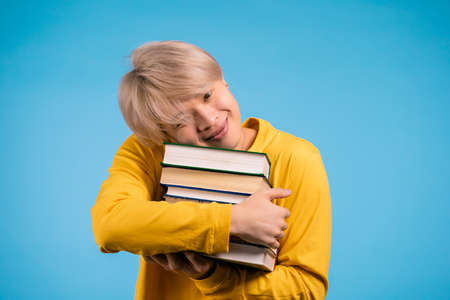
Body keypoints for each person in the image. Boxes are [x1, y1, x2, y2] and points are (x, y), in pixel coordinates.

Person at [91, 40, 331, 299]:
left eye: (207, 95)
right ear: (164, 134)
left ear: (223, 80)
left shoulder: (296, 158)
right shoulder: (150, 151)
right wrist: (232, 222)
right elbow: (110, 224)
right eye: (180, 120)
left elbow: (307, 290)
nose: (208, 120)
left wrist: (213, 275)